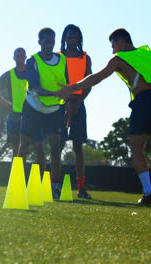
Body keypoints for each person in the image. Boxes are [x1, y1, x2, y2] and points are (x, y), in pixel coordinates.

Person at [56, 28, 151, 206]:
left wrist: (70, 88)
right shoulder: (149, 54)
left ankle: (148, 192)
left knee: (137, 148)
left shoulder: (118, 59)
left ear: (121, 41)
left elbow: (95, 78)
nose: (113, 50)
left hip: (144, 100)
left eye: (113, 45)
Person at [19, 27, 66, 199]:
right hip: (33, 107)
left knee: (55, 148)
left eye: (52, 42)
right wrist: (56, 94)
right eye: (46, 41)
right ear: (40, 42)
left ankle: (55, 187)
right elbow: (36, 88)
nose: (49, 45)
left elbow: (66, 84)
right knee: (24, 145)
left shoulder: (62, 60)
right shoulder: (32, 61)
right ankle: (18, 183)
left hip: (54, 109)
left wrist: (66, 104)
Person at [59, 24, 93, 199]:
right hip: (60, 105)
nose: (72, 41)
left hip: (79, 103)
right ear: (65, 38)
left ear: (79, 39)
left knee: (78, 146)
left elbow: (89, 82)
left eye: (75, 38)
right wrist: (64, 104)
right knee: (58, 144)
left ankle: (81, 188)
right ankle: (54, 184)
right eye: (69, 37)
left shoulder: (85, 58)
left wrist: (79, 100)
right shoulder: (58, 57)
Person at [0, 48, 28, 158]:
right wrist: (6, 102)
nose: (20, 58)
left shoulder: (31, 73)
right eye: (18, 56)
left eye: (22, 56)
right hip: (15, 114)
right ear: (14, 58)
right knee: (15, 148)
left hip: (30, 115)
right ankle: (14, 173)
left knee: (27, 146)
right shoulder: (9, 75)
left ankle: (23, 172)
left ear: (26, 57)